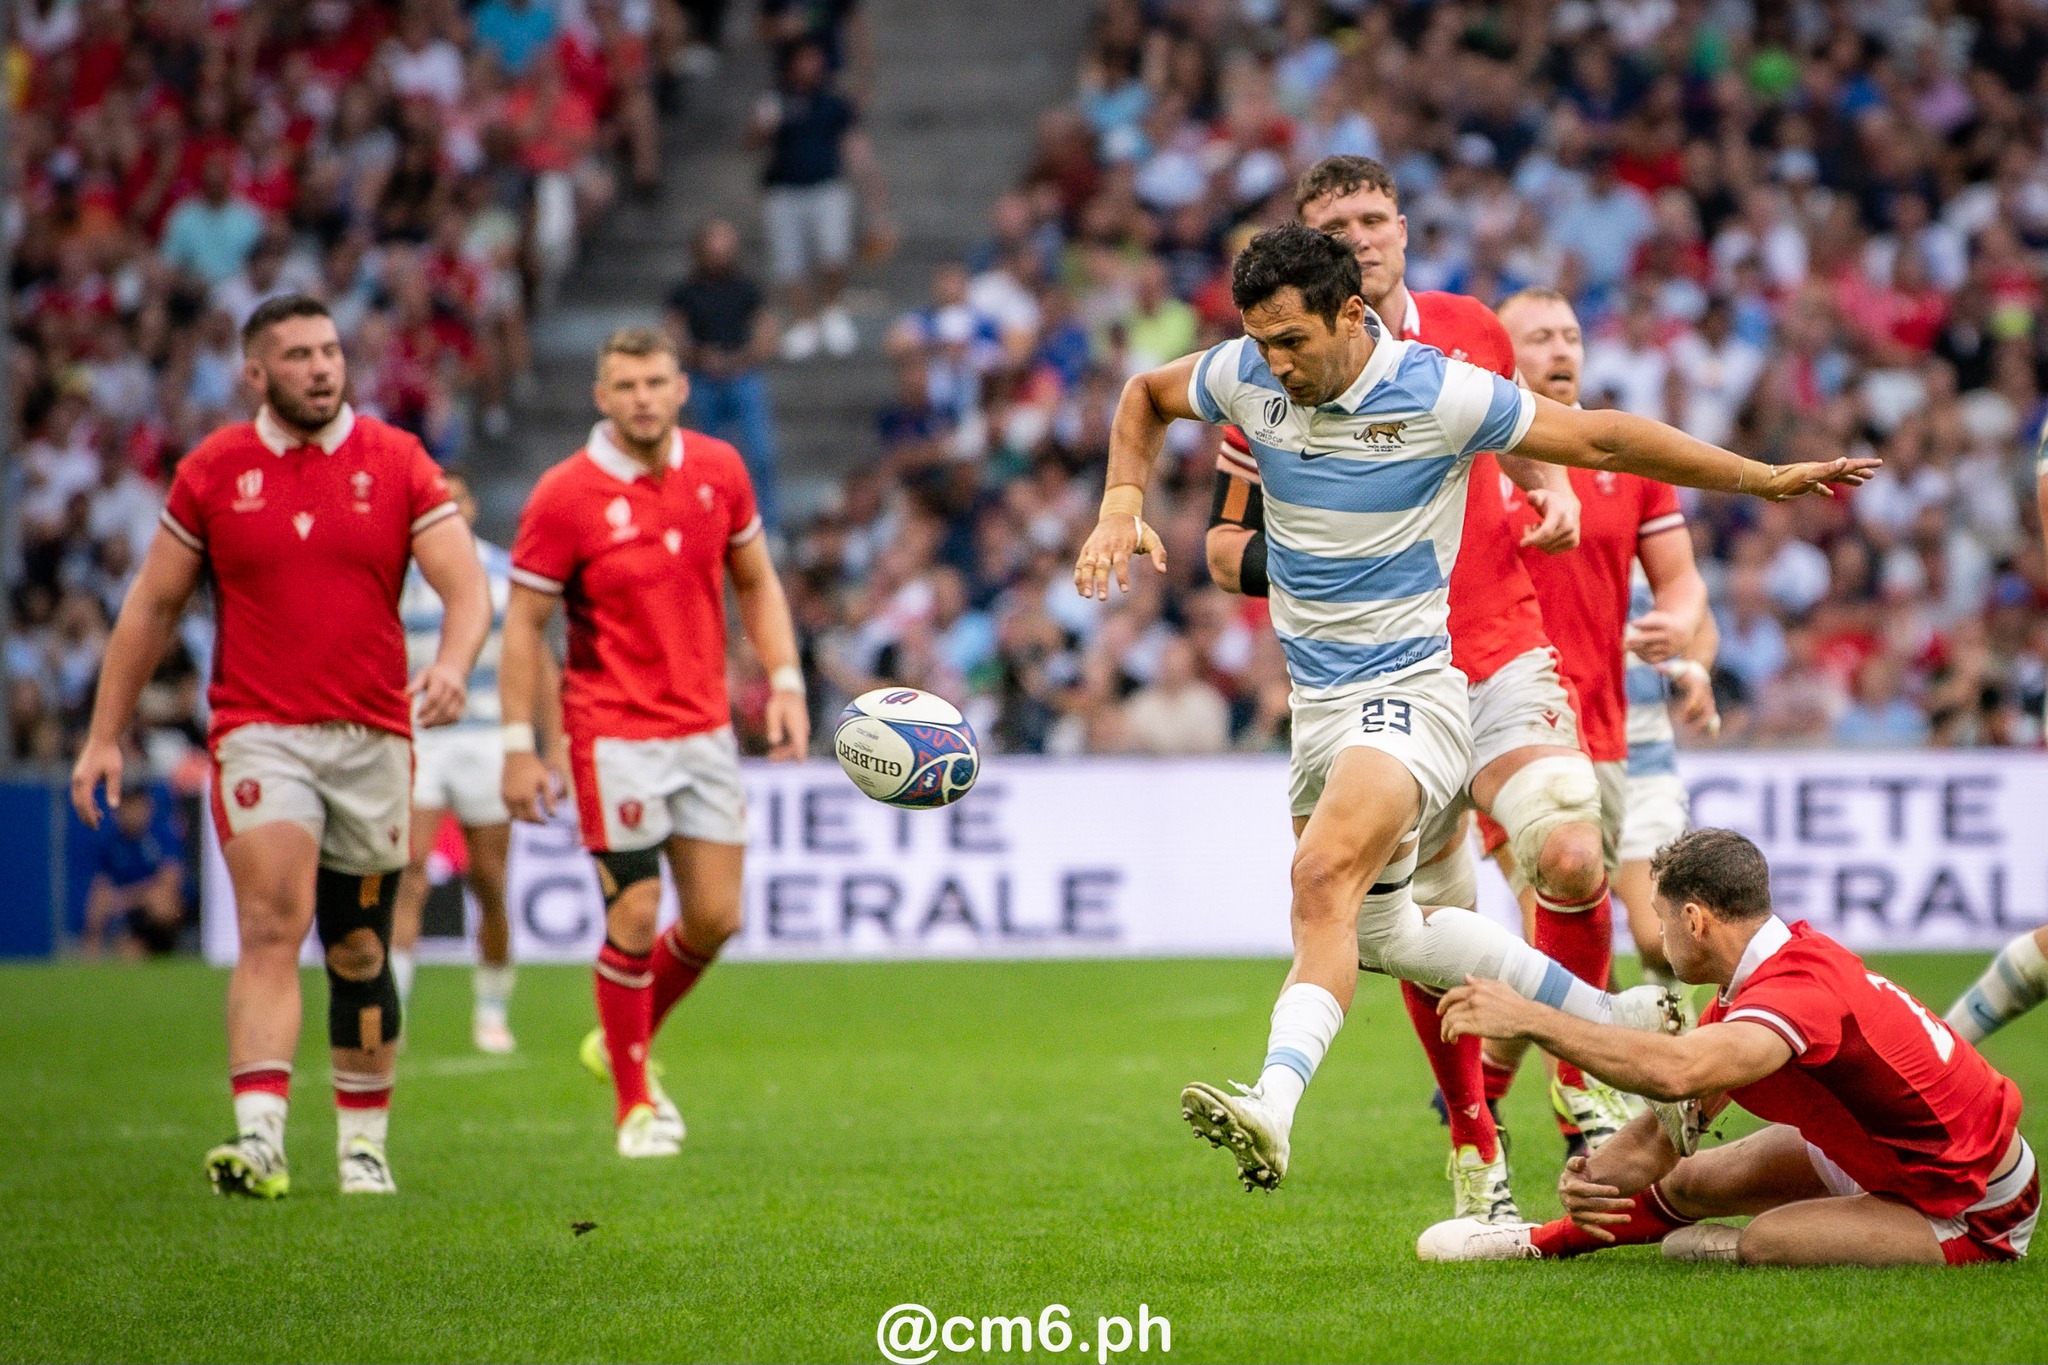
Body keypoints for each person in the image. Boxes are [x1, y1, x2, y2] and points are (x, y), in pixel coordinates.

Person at [1073, 223, 1874, 1195]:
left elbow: (1603, 434)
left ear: (1349, 315)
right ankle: (1611, 1017)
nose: (1272, 364)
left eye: (1292, 340)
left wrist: (1759, 478)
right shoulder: (1244, 373)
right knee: (1387, 937)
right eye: (1259, 341)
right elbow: (1144, 395)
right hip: (1317, 706)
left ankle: (1271, 1108)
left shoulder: (1435, 392)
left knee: (1319, 874)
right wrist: (1121, 503)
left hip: (1410, 692)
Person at [1204, 155, 1614, 1223]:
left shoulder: (1467, 332)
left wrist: (1553, 490)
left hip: (1493, 648)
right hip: (1363, 672)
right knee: (1410, 926)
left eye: (1373, 215)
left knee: (1567, 846)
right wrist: (1317, 552)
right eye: (1335, 222)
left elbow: (1531, 431)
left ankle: (1589, 1083)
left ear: (1399, 225)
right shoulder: (1270, 370)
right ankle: (1477, 1145)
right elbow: (1218, 550)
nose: (1362, 234)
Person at [70, 294, 490, 1199]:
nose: (320, 367)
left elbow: (468, 587)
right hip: (261, 730)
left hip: (374, 734)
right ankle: (259, 1139)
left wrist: (454, 663)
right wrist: (105, 733)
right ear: (255, 372)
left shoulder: (399, 459)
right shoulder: (215, 469)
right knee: (271, 920)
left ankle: (363, 1144)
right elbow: (151, 605)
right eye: (297, 354)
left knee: (359, 947)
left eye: (330, 350)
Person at [1422, 829, 2035, 1267]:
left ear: (1695, 920)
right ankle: (1531, 1242)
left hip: (1972, 1200)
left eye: (1661, 921)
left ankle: (1732, 1249)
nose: (1656, 938)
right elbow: (1668, 1130)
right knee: (1686, 1182)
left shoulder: (1796, 993)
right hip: (1877, 1154)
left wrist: (1533, 1018)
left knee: (1770, 1241)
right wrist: (1592, 1178)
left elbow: (1680, 1073)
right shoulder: (1761, 980)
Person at [499, 327, 810, 1158]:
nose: (642, 396)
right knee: (635, 913)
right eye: (625, 384)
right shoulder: (564, 495)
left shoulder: (719, 470)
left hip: (703, 726)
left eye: (656, 381)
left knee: (715, 918)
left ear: (680, 388)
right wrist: (519, 744)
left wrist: (784, 681)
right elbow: (524, 626)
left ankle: (620, 1037)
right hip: (610, 731)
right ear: (601, 396)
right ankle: (635, 1104)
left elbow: (756, 581)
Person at [1474, 286, 1719, 1154]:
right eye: (1538, 336)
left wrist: (1685, 639)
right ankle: (1593, 1113)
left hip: (1620, 731)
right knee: (1579, 895)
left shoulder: (1623, 454)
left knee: (1599, 936)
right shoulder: (1474, 452)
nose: (1561, 348)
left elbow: (1685, 585)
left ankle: (1481, 1081)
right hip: (1514, 731)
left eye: (1571, 333)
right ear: (1502, 354)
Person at [389, 472, 563, 1055]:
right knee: (407, 875)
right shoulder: (395, 576)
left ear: (472, 507)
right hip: (420, 736)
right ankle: (395, 1013)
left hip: (488, 739)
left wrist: (551, 746)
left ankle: (492, 1010)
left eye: (456, 500)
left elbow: (538, 664)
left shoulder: (502, 572)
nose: (448, 510)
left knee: (488, 883)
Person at [1614, 563, 1719, 985]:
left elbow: (1701, 623)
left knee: (1659, 941)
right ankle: (1611, 1045)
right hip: (1550, 750)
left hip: (1642, 762)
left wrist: (1695, 669)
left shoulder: (1649, 545)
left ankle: (1660, 1017)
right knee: (1568, 950)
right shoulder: (1530, 519)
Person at [752, 40, 878, 361]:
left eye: (817, 59)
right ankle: (804, 321)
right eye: (805, 59)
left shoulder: (833, 103)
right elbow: (751, 142)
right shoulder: (775, 100)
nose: (812, 66)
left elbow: (854, 145)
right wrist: (763, 126)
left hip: (826, 186)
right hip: (784, 190)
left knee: (834, 252)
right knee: (788, 261)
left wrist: (874, 196)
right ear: (791, 63)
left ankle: (832, 310)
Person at [667, 219, 783, 530]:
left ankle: (768, 526)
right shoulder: (685, 291)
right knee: (707, 463)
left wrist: (740, 359)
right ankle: (714, 526)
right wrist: (698, 356)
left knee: (760, 454)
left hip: (743, 375)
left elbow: (766, 330)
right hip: (703, 378)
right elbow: (673, 332)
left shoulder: (746, 288)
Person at [80, 778, 186, 958]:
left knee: (162, 902)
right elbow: (100, 889)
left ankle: (175, 947)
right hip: (131, 918)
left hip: (156, 913)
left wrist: (122, 900)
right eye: (126, 806)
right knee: (129, 954)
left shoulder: (162, 836)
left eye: (136, 805)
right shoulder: (111, 844)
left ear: (148, 807)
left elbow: (169, 883)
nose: (131, 812)